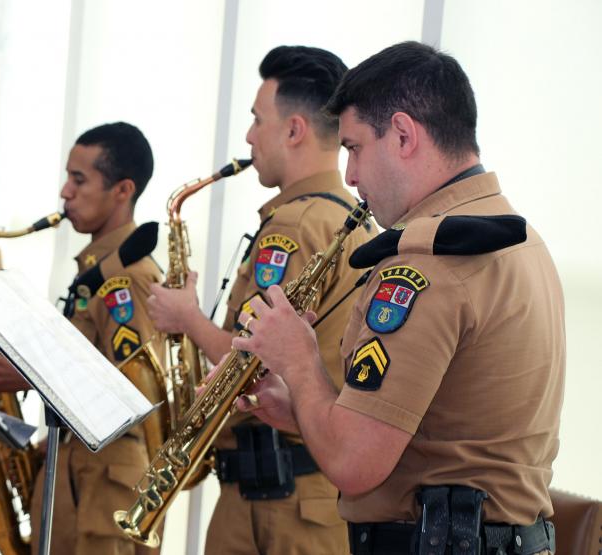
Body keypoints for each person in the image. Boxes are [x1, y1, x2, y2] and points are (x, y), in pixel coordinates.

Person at [235, 41, 562, 555]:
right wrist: (306, 407)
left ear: (405, 135)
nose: (350, 176)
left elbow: (353, 464)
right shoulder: (516, 237)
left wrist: (299, 363)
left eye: (355, 147)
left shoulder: (427, 262)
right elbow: (442, 436)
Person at [147, 46, 375, 555]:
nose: (249, 136)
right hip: (307, 499)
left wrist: (186, 317)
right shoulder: (344, 220)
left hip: (273, 506)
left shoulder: (294, 225)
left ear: (294, 130)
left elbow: (252, 360)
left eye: (256, 119)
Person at [0, 122, 162, 555]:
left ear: (122, 190)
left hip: (104, 484)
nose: (65, 192)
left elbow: (132, 390)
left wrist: (29, 374)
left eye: (79, 180)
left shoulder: (127, 278)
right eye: (67, 177)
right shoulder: (96, 269)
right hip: (77, 468)